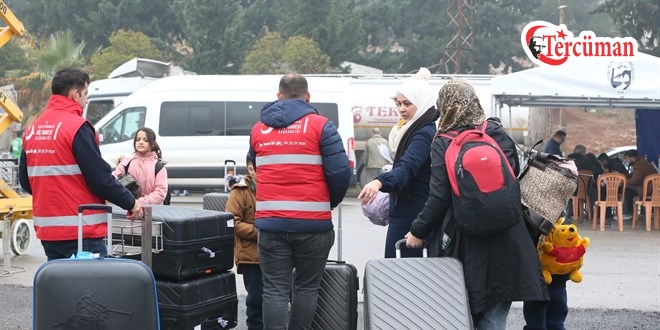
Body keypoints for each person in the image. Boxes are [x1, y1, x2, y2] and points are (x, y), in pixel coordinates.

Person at [405, 78, 548, 329]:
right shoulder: (496, 133)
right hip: (510, 237)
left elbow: (439, 197)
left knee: (462, 313)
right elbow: (513, 178)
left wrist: (417, 230)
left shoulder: (443, 141)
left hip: (467, 241)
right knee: (495, 317)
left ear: (445, 106)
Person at [248, 73, 350, 330]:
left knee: (274, 290)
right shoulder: (321, 126)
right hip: (313, 225)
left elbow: (254, 166)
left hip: (272, 226)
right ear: (308, 96)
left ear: (279, 96)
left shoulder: (259, 129)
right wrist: (331, 202)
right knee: (306, 288)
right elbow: (340, 172)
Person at [19, 68, 142, 261]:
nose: (85, 100)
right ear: (75, 94)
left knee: (62, 289)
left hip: (48, 233)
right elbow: (100, 179)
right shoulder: (76, 127)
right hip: (81, 231)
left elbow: (26, 182)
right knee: (91, 290)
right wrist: (131, 202)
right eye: (85, 94)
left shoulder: (32, 130)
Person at [359, 67, 438, 259]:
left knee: (401, 280)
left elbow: (407, 167)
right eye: (398, 103)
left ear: (421, 103)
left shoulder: (423, 133)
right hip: (407, 215)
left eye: (407, 103)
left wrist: (379, 182)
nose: (402, 109)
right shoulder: (415, 128)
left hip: (412, 219)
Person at [225, 153, 261, 330]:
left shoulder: (276, 187)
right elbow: (233, 223)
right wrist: (261, 233)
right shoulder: (240, 191)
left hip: (277, 253)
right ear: (251, 168)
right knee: (256, 301)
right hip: (251, 256)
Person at [112, 127, 169, 205]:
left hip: (154, 212)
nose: (141, 142)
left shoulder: (159, 167)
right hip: (129, 212)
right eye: (138, 139)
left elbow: (160, 193)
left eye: (145, 140)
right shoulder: (125, 163)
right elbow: (111, 181)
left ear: (152, 144)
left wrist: (137, 203)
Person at [624, 150, 657, 217]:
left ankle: (628, 213)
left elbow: (635, 180)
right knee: (627, 187)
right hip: (647, 186)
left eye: (627, 158)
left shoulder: (640, 164)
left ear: (632, 157)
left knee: (626, 188)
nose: (627, 161)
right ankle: (628, 212)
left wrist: (623, 181)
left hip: (647, 188)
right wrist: (622, 175)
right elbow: (633, 174)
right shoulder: (640, 162)